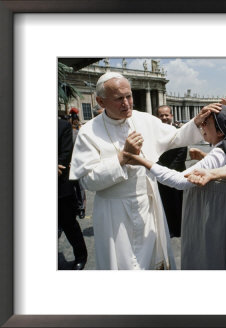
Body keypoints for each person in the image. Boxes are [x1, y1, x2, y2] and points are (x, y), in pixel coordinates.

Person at [69, 72, 215, 270]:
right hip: (115, 213)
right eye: (119, 99)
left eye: (129, 96)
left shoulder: (144, 119)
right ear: (101, 101)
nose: (127, 103)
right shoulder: (88, 132)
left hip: (148, 204)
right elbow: (88, 181)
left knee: (154, 261)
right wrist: (122, 157)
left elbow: (175, 137)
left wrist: (196, 122)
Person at [123, 105, 226, 191]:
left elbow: (180, 180)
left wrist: (142, 161)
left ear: (220, 132)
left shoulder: (220, 152)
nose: (202, 126)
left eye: (206, 123)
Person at [58, 118, 88, 269]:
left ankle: (81, 256)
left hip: (60, 184)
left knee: (69, 224)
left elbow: (65, 154)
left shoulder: (62, 126)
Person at [156, 105, 188, 237]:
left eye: (166, 115)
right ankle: (168, 228)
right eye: (161, 115)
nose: (164, 118)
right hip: (161, 175)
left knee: (178, 203)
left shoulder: (179, 132)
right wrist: (159, 170)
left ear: (171, 116)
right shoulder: (154, 134)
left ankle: (179, 229)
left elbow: (182, 153)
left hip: (177, 173)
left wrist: (168, 172)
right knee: (164, 203)